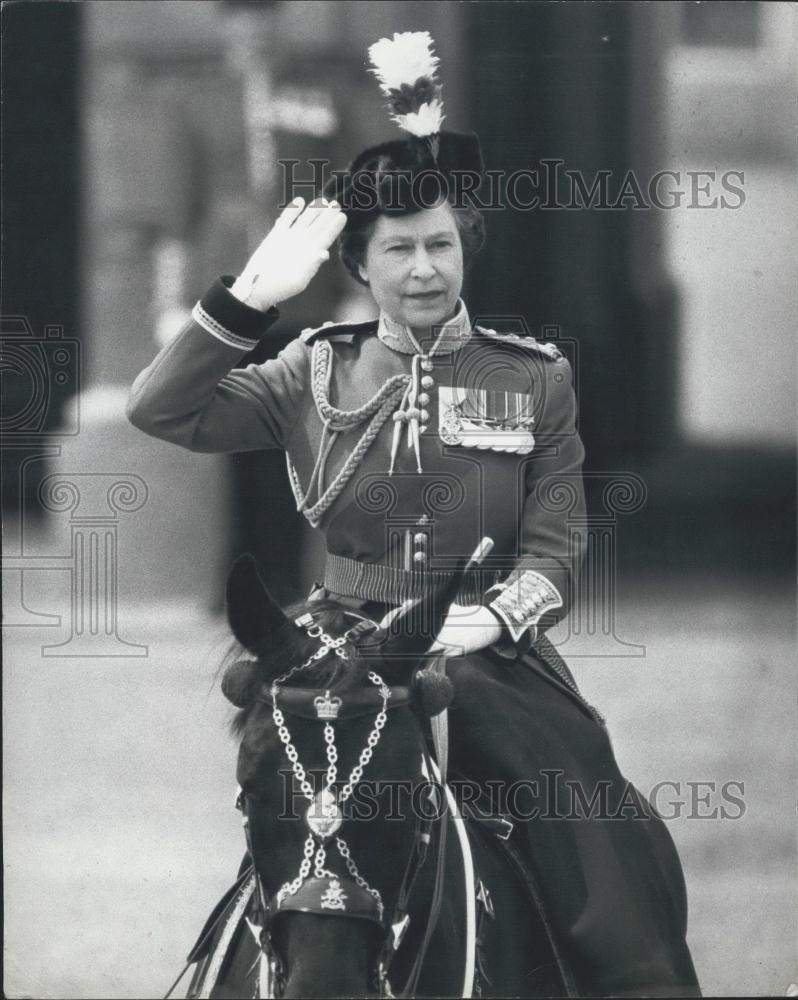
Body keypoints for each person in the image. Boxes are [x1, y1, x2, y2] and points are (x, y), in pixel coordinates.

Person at [128, 31, 699, 996]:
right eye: (399, 249)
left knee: (587, 830)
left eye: (441, 244)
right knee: (291, 803)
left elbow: (559, 545)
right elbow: (160, 410)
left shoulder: (535, 379)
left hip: (485, 653)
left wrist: (501, 612)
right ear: (360, 260)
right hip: (341, 641)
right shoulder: (312, 369)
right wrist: (239, 308)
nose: (425, 269)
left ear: (466, 247)